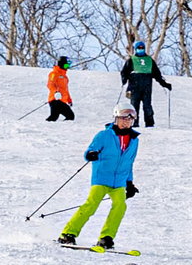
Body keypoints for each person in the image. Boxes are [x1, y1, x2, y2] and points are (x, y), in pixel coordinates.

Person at [58, 103, 139, 251]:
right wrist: (91, 154)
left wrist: (130, 183)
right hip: (102, 178)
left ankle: (106, 238)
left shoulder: (134, 140)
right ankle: (68, 233)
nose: (126, 121)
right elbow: (89, 151)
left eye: (129, 119)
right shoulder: (104, 135)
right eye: (123, 118)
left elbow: (129, 162)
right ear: (116, 118)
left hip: (120, 181)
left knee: (120, 207)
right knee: (91, 205)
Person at [120, 39, 171, 128]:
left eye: (142, 48)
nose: (141, 49)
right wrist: (124, 79)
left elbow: (157, 74)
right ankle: (133, 123)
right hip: (134, 86)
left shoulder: (149, 60)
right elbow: (124, 72)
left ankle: (150, 124)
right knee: (134, 105)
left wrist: (164, 84)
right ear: (135, 49)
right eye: (139, 48)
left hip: (146, 86)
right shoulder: (131, 60)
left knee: (147, 106)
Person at [46, 55, 75, 121]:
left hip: (62, 101)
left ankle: (63, 129)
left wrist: (69, 99)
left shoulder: (65, 77)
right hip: (55, 100)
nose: (67, 67)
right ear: (61, 65)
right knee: (56, 117)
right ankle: (43, 127)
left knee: (70, 116)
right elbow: (50, 84)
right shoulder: (54, 74)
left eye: (68, 66)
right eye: (66, 66)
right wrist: (55, 92)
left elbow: (65, 89)